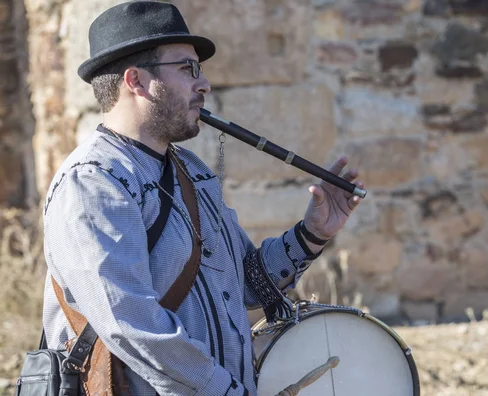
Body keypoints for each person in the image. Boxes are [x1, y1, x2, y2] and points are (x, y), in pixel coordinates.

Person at [41, 1, 364, 395]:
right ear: (136, 81)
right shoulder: (93, 182)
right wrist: (224, 390)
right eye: (186, 68)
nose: (204, 84)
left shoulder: (189, 170)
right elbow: (130, 322)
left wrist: (311, 233)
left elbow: (244, 283)